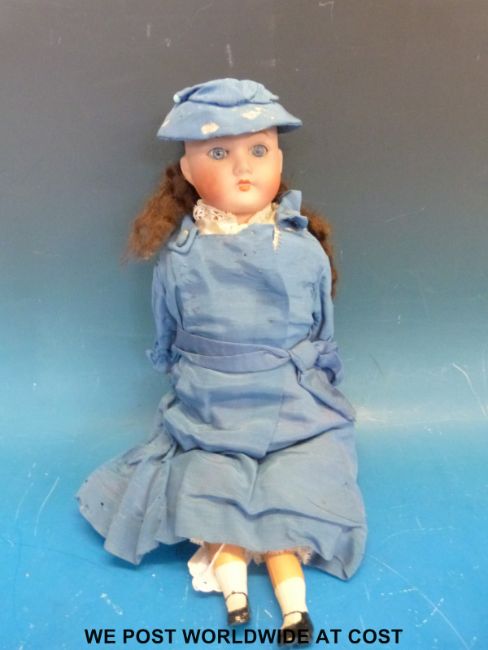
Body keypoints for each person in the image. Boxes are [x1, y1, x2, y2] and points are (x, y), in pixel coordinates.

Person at [77, 78, 367, 646]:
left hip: (294, 405)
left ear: (279, 160)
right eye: (217, 153)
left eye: (259, 150)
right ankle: (236, 599)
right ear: (187, 171)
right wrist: (181, 370)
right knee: (213, 495)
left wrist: (319, 374)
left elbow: (322, 328)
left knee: (292, 500)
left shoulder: (303, 248)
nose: (243, 168)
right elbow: (166, 326)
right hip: (211, 407)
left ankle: (295, 611)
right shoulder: (181, 256)